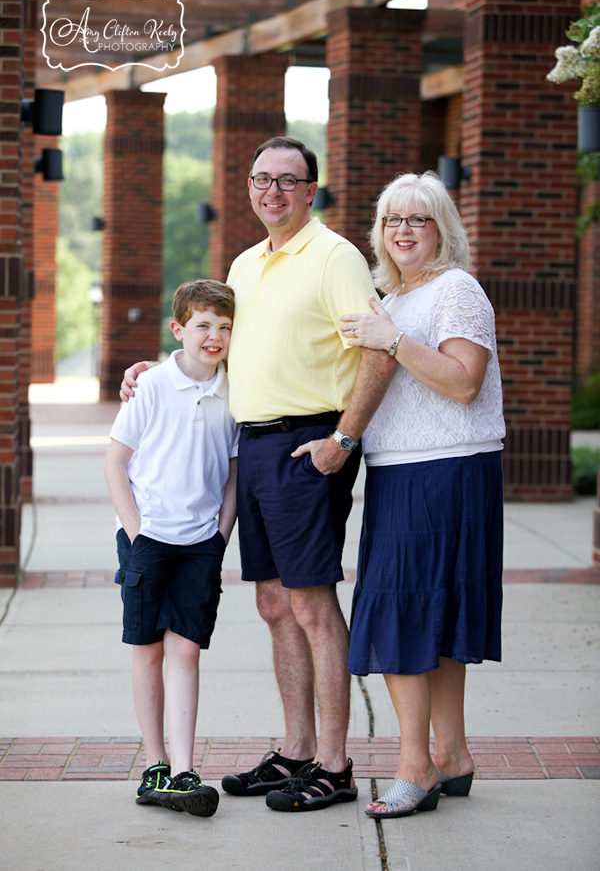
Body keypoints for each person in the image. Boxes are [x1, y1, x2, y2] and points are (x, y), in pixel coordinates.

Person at [120, 136, 395, 813]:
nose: (272, 191)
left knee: (309, 604)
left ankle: (334, 764)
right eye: (261, 180)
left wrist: (342, 439)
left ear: (312, 190)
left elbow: (380, 352)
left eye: (288, 181)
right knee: (273, 604)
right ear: (249, 188)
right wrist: (157, 369)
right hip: (255, 448)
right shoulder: (245, 264)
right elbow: (217, 344)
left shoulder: (334, 257)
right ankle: (297, 751)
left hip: (309, 444)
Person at [339, 170, 505, 819]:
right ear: (380, 233)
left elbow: (465, 383)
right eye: (392, 220)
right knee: (429, 616)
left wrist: (394, 342)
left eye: (418, 219)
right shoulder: (392, 297)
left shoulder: (456, 290)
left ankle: (416, 768)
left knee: (399, 613)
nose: (403, 231)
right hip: (402, 469)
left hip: (446, 471)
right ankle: (453, 755)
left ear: (444, 230)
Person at [105, 279, 239, 817]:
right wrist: (136, 534)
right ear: (179, 329)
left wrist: (220, 535)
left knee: (186, 651)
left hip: (201, 542)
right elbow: (116, 463)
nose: (215, 336)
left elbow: (232, 474)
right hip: (148, 539)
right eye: (204, 325)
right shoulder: (152, 385)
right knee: (149, 649)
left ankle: (185, 769)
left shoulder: (234, 390)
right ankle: (155, 765)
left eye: (225, 327)